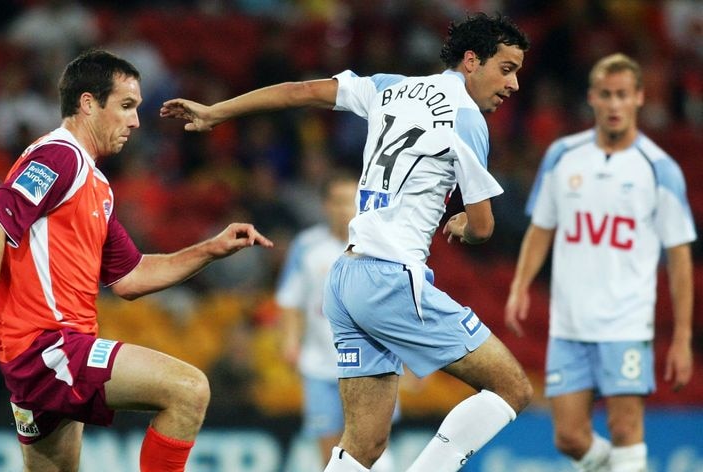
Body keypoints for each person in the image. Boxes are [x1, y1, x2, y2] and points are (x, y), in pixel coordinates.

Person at [162, 12, 533, 472]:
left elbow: (299, 92)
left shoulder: (389, 87)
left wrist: (218, 111)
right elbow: (483, 227)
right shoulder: (466, 120)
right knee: (512, 388)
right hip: (391, 279)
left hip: (347, 279)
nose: (514, 85)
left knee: (364, 445)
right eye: (507, 68)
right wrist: (460, 225)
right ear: (472, 61)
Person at [0, 49, 273, 472]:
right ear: (87, 103)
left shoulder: (94, 182)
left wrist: (211, 249)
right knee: (188, 389)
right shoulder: (60, 156)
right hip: (49, 347)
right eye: (126, 106)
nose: (135, 121)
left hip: (46, 357)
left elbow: (130, 277)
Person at [504, 53, 695, 472]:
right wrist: (520, 284)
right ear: (591, 98)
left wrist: (681, 337)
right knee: (569, 437)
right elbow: (541, 228)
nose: (613, 104)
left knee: (626, 428)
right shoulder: (562, 156)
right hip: (569, 324)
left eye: (622, 95)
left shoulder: (659, 169)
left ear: (639, 98)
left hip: (626, 323)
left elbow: (679, 258)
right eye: (605, 95)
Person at [275, 172, 397, 471]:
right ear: (325, 205)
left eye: (351, 202)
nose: (344, 209)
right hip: (320, 366)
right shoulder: (306, 246)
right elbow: (290, 299)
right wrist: (290, 340)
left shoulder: (382, 246)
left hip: (372, 366)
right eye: (338, 202)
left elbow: (398, 304)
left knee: (375, 447)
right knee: (329, 456)